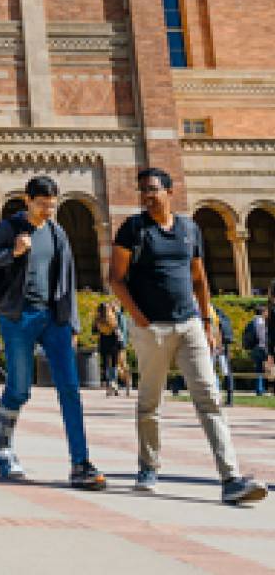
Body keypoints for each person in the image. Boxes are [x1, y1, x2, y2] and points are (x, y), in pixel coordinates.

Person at [109, 167, 266, 505]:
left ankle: (230, 479)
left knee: (209, 398)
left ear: (170, 191)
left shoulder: (189, 228)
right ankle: (148, 467)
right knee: (150, 401)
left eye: (152, 189)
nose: (147, 196)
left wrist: (207, 322)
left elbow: (199, 278)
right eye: (143, 191)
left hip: (190, 325)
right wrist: (140, 319)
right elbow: (116, 279)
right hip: (153, 329)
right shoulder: (133, 229)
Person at [0, 174, 106, 489]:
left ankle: (80, 462)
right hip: (18, 317)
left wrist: (73, 324)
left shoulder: (58, 234)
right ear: (27, 201)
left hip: (53, 318)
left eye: (52, 205)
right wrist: (11, 253)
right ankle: (1, 449)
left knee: (70, 389)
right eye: (42, 205)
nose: (48, 211)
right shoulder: (11, 228)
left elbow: (67, 280)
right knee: (19, 389)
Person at [94, 299, 125, 396]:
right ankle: (114, 384)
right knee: (114, 365)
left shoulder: (97, 319)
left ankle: (108, 386)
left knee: (106, 365)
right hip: (114, 344)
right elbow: (118, 332)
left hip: (103, 343)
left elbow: (94, 331)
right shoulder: (113, 318)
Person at [242, 305, 268, 397]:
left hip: (255, 348)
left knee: (258, 369)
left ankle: (260, 390)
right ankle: (265, 389)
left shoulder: (251, 323)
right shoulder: (264, 322)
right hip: (265, 347)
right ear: (263, 312)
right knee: (269, 368)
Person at [212, 303, 234, 407]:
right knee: (226, 372)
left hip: (215, 345)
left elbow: (216, 330)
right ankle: (230, 399)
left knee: (211, 370)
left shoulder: (209, 311)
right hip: (223, 345)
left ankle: (215, 397)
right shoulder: (219, 312)